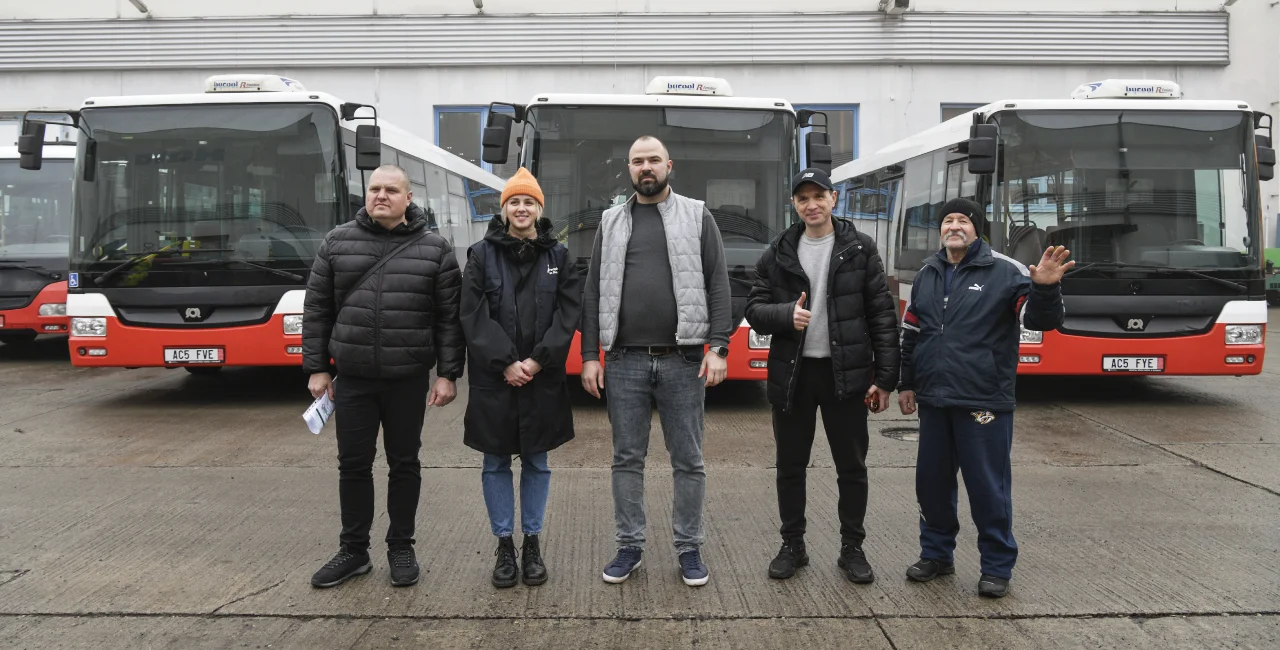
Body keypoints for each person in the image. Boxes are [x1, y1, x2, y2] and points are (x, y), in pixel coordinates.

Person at [897, 197, 1070, 598]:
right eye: (947, 221)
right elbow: (912, 334)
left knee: (988, 488)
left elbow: (1040, 320)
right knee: (932, 485)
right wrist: (907, 384)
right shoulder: (927, 273)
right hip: (934, 400)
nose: (953, 226)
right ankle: (937, 555)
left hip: (984, 400)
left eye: (963, 221)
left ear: (977, 229)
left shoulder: (1005, 272)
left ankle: (996, 566)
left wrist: (1045, 288)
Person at [580, 135, 732, 587]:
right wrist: (590, 355)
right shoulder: (611, 220)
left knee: (688, 460)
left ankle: (689, 549)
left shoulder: (697, 215)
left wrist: (719, 346)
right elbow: (592, 293)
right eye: (637, 161)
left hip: (683, 361)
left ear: (669, 165)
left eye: (653, 160)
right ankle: (630, 546)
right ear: (628, 168)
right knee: (627, 458)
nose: (646, 168)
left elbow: (718, 284)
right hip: (623, 360)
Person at [302, 164, 464, 589]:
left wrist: (447, 374)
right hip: (352, 379)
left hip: (407, 378)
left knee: (404, 463)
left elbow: (449, 319)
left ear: (408, 198)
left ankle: (401, 546)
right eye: (374, 189)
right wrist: (318, 367)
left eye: (391, 190)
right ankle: (354, 551)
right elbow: (317, 310)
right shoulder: (337, 243)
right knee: (353, 465)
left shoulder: (435, 249)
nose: (381, 196)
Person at [745, 168, 900, 584]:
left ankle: (853, 548)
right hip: (793, 375)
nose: (811, 205)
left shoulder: (860, 249)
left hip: (845, 375)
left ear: (833, 199)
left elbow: (883, 315)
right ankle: (793, 545)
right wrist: (785, 315)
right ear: (794, 205)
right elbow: (754, 309)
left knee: (851, 466)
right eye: (802, 199)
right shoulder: (778, 251)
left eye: (818, 196)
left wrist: (885, 378)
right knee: (790, 466)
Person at [460, 168, 582, 589]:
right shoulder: (481, 254)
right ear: (505, 208)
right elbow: (472, 315)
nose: (522, 208)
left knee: (537, 461)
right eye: (514, 201)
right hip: (495, 380)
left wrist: (536, 361)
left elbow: (568, 314)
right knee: (494, 462)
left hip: (540, 378)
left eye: (529, 201)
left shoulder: (559, 257)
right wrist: (506, 362)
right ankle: (504, 545)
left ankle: (532, 542)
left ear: (539, 208)